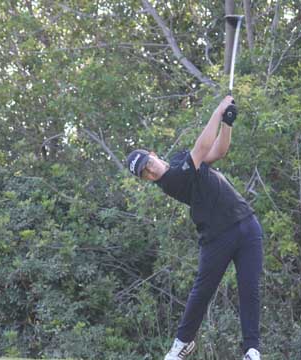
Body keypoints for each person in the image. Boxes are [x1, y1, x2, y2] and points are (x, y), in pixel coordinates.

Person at [126, 96, 263, 360]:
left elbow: (218, 151)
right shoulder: (170, 180)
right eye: (144, 174)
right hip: (217, 237)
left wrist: (227, 123)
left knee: (250, 288)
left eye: (147, 165)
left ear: (152, 155)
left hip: (246, 224)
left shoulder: (179, 160)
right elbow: (201, 148)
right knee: (202, 291)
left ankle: (252, 350)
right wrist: (218, 110)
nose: (150, 172)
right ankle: (182, 344)